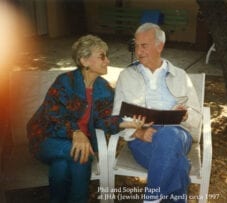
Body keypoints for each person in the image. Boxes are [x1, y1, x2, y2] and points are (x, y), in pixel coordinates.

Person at [27, 35, 143, 203]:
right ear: (84, 60)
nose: (108, 61)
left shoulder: (103, 88)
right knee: (83, 153)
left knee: (61, 167)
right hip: (46, 138)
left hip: (76, 146)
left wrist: (129, 123)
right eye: (102, 56)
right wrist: (76, 132)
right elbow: (53, 116)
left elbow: (106, 120)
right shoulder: (65, 82)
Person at [112, 23, 201, 203]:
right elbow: (117, 116)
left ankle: (151, 198)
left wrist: (186, 115)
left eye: (143, 45)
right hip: (143, 138)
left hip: (178, 133)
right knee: (180, 165)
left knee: (169, 135)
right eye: (136, 45)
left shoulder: (181, 75)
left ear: (159, 46)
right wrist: (138, 132)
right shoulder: (126, 76)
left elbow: (198, 118)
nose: (138, 51)